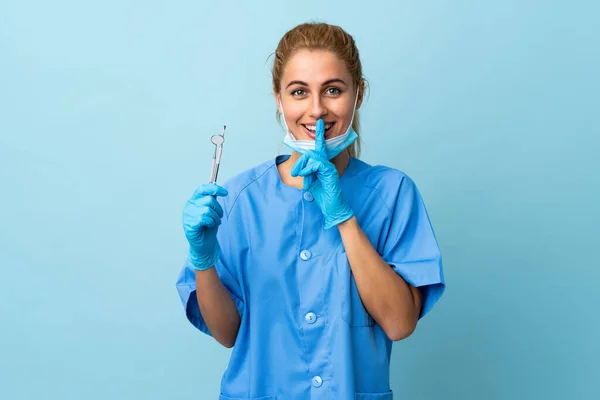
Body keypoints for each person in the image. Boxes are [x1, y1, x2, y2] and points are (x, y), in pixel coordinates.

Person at [176, 22, 445, 400]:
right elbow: (227, 333)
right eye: (299, 92)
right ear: (278, 98)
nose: (316, 110)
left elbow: (400, 323)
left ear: (358, 94)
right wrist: (203, 261)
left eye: (333, 90)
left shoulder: (392, 193)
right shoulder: (238, 198)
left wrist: (344, 218)